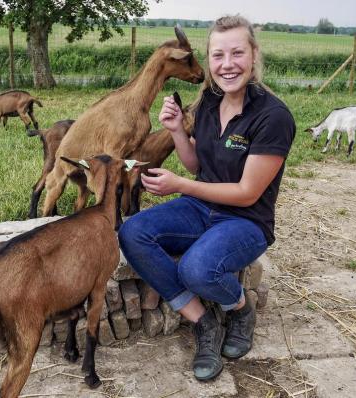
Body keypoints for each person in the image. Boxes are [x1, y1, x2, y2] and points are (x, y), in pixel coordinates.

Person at [118, 15, 296, 382]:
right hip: (201, 207)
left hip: (245, 221)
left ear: (253, 55)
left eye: (236, 53)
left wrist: (181, 185)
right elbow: (198, 162)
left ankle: (240, 308)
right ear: (209, 59)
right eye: (218, 55)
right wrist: (175, 132)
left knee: (197, 270)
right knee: (133, 231)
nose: (227, 65)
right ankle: (204, 321)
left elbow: (247, 193)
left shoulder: (273, 117)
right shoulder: (210, 100)